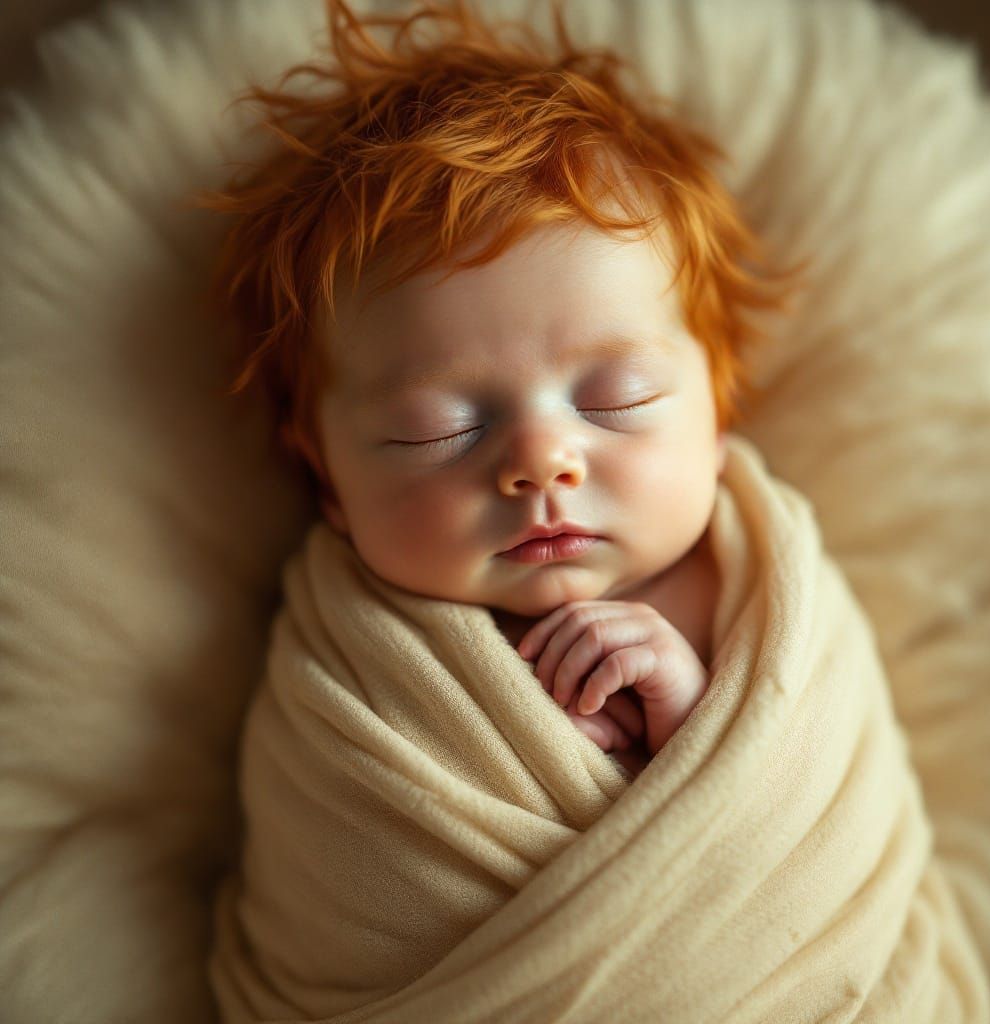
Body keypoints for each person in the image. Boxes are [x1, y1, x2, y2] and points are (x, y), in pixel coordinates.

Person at [196, 0, 794, 779]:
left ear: (717, 417)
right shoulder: (356, 654)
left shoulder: (757, 595)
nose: (543, 462)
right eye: (435, 430)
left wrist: (683, 709)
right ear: (328, 480)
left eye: (620, 398)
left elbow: (795, 795)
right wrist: (510, 763)